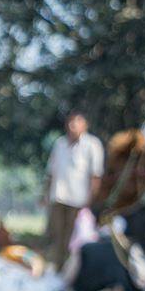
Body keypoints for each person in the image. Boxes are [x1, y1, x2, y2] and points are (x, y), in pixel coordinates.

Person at [44, 111, 104, 268]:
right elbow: (51, 172)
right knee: (57, 236)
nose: (72, 126)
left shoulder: (92, 145)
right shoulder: (60, 144)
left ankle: (72, 272)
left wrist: (89, 202)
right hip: (58, 198)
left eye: (76, 123)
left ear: (85, 125)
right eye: (70, 123)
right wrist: (44, 194)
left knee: (75, 239)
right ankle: (58, 269)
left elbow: (96, 176)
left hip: (79, 201)